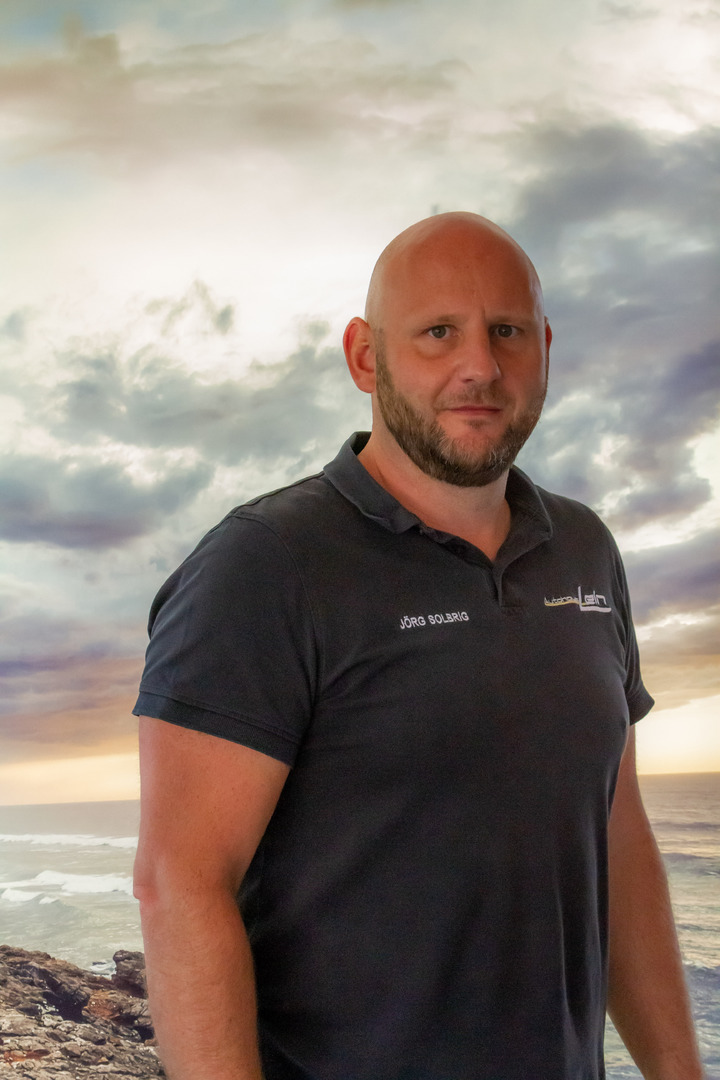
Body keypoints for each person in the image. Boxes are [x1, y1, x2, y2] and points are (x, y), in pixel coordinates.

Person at [132, 212, 703, 1080]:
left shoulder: (585, 549)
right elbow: (180, 883)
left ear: (545, 347)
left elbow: (616, 835)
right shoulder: (266, 565)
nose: (481, 367)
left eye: (506, 332)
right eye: (439, 332)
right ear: (366, 357)